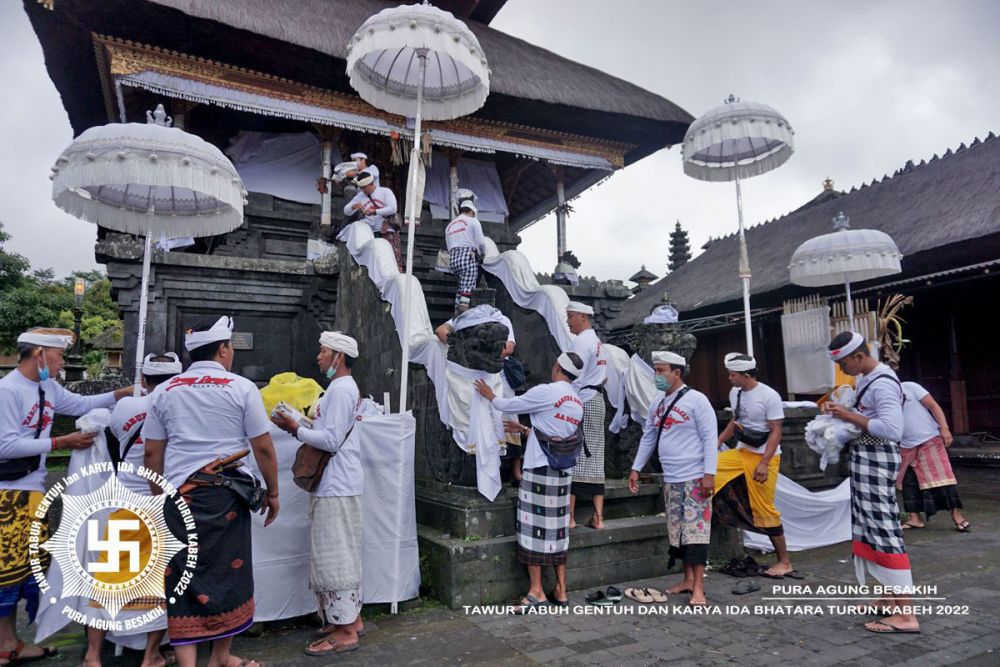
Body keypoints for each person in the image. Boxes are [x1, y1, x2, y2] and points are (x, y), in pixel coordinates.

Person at [143, 316, 280, 667]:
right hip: (225, 496)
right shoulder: (240, 387)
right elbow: (262, 447)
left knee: (181, 578)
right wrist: (274, 492)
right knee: (229, 574)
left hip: (179, 496)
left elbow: (152, 452)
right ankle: (220, 656)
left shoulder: (165, 391)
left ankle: (190, 663)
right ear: (222, 349)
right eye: (230, 347)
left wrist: (156, 497)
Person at [0, 328, 134, 666]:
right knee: (5, 572)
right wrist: (62, 442)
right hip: (7, 493)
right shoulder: (7, 391)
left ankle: (8, 644)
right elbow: (4, 445)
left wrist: (125, 393)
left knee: (23, 572)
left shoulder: (46, 387)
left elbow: (82, 404)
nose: (61, 363)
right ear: (40, 354)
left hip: (32, 488)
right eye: (59, 356)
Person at [84, 353, 183, 667]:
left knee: (108, 578)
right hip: (157, 499)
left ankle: (92, 655)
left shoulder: (127, 407)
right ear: (177, 380)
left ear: (144, 380)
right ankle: (151, 654)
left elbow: (116, 434)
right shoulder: (177, 407)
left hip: (123, 497)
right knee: (159, 581)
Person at [271, 332, 364, 657]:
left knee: (334, 555)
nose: (319, 357)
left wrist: (297, 429)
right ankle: (349, 618)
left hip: (337, 483)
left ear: (338, 357)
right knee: (338, 552)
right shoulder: (339, 389)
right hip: (336, 483)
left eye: (323, 352)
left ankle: (346, 630)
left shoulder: (340, 390)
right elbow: (326, 430)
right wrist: (298, 421)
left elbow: (332, 440)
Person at [473, 352, 585, 610]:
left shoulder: (548, 391)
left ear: (557, 366)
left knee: (532, 527)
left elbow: (508, 405)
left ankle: (536, 591)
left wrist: (490, 394)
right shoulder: (577, 401)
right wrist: (525, 431)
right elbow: (557, 433)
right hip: (563, 472)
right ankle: (561, 589)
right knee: (558, 530)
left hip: (539, 471)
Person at [825, 331, 919, 634]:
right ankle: (888, 597)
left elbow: (892, 429)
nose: (843, 370)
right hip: (866, 458)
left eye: (844, 363)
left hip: (877, 457)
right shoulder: (866, 378)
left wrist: (848, 416)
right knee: (867, 527)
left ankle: (906, 615)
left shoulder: (881, 383)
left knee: (884, 530)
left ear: (859, 356)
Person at [628, 351, 716, 606]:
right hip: (671, 477)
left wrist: (709, 474)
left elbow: (710, 438)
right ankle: (687, 579)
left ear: (677, 373)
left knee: (696, 533)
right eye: (655, 370)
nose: (657, 376)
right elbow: (648, 437)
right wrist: (636, 468)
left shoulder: (697, 400)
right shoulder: (658, 403)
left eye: (661, 370)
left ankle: (699, 587)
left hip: (695, 476)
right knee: (678, 531)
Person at [713, 353, 795, 578]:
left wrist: (764, 463)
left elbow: (776, 430)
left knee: (765, 508)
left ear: (746, 375)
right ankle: (729, 512)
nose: (729, 378)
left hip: (763, 456)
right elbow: (735, 421)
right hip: (742, 451)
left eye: (733, 375)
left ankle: (784, 561)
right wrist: (718, 442)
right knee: (709, 469)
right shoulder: (735, 393)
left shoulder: (769, 396)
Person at [897, 381, 969, 532]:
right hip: (905, 444)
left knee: (944, 479)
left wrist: (944, 428)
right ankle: (915, 518)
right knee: (908, 482)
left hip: (929, 438)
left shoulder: (910, 387)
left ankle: (957, 516)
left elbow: (933, 406)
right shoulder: (881, 393)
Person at [565, 302, 608, 530]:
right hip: (598, 399)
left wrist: (568, 401)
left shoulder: (581, 341)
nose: (568, 321)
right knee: (596, 457)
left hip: (583, 399)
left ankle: (570, 517)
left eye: (570, 316)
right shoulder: (597, 341)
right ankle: (599, 517)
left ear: (583, 316)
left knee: (574, 456)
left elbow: (574, 373)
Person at [343, 171, 401, 271]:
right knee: (376, 263)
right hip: (371, 233)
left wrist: (375, 212)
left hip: (388, 231)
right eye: (361, 188)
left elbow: (393, 208)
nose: (363, 190)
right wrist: (354, 206)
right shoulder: (360, 196)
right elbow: (346, 211)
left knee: (392, 261)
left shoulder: (385, 192)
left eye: (364, 187)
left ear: (371, 184)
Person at [444, 196, 487, 313]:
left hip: (453, 260)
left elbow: (449, 247)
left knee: (460, 289)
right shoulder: (473, 221)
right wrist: (483, 255)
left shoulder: (449, 226)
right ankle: (462, 314)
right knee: (467, 290)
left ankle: (456, 314)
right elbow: (481, 243)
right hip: (467, 257)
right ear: (472, 211)